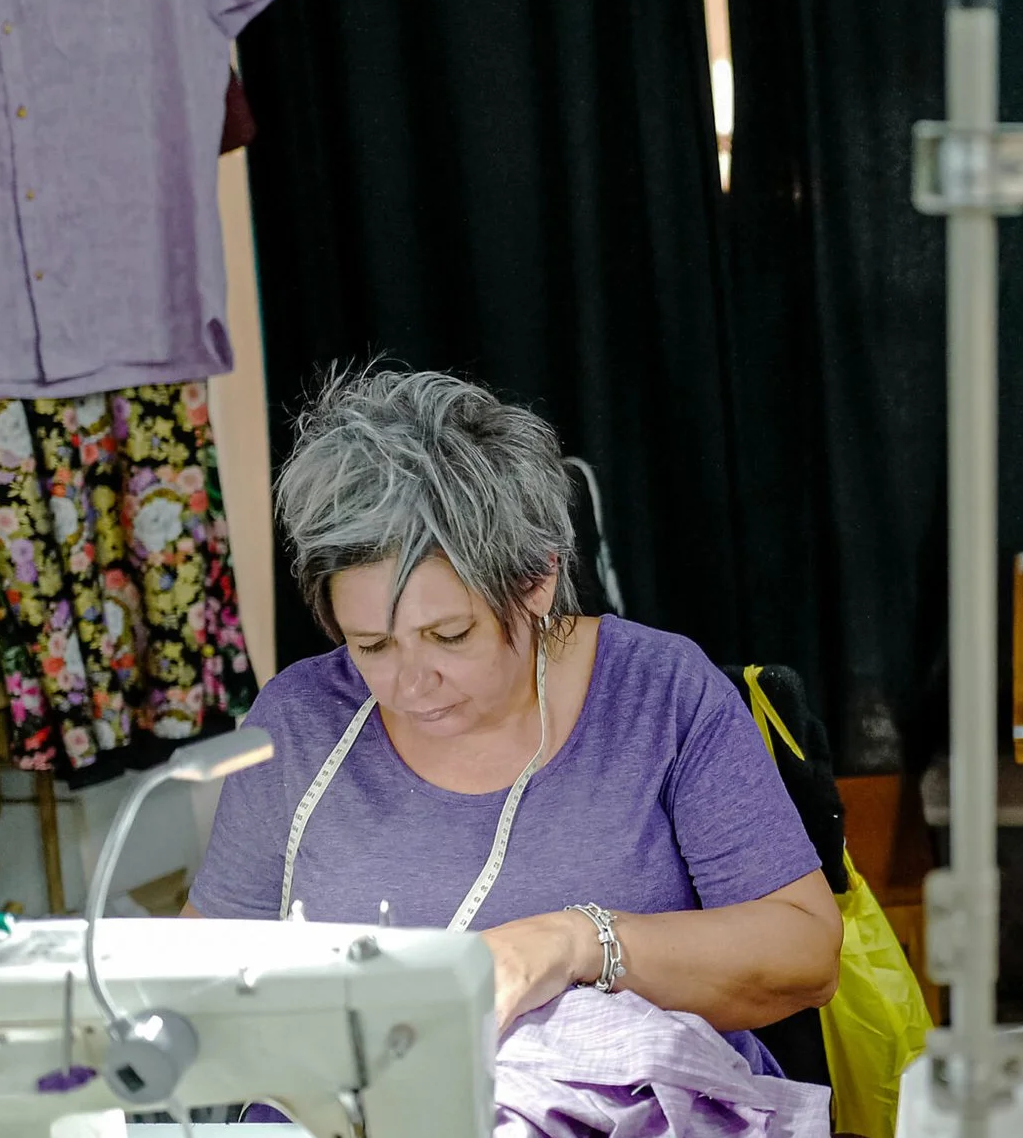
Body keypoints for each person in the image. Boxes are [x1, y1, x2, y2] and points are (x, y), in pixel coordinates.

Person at [188, 369, 842, 1059]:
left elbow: (805, 952)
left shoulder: (660, 698)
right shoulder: (299, 722)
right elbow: (202, 970)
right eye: (371, 645)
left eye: (450, 635)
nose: (410, 682)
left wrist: (577, 943)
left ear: (537, 581)